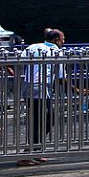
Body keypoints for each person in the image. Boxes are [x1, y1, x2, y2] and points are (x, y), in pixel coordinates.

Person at [18, 29, 65, 166]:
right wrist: (76, 89)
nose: (63, 42)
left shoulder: (32, 46)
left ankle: (35, 150)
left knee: (38, 119)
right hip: (42, 87)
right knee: (46, 119)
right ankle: (29, 153)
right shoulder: (57, 52)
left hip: (28, 86)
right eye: (62, 39)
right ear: (56, 40)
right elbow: (61, 77)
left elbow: (20, 61)